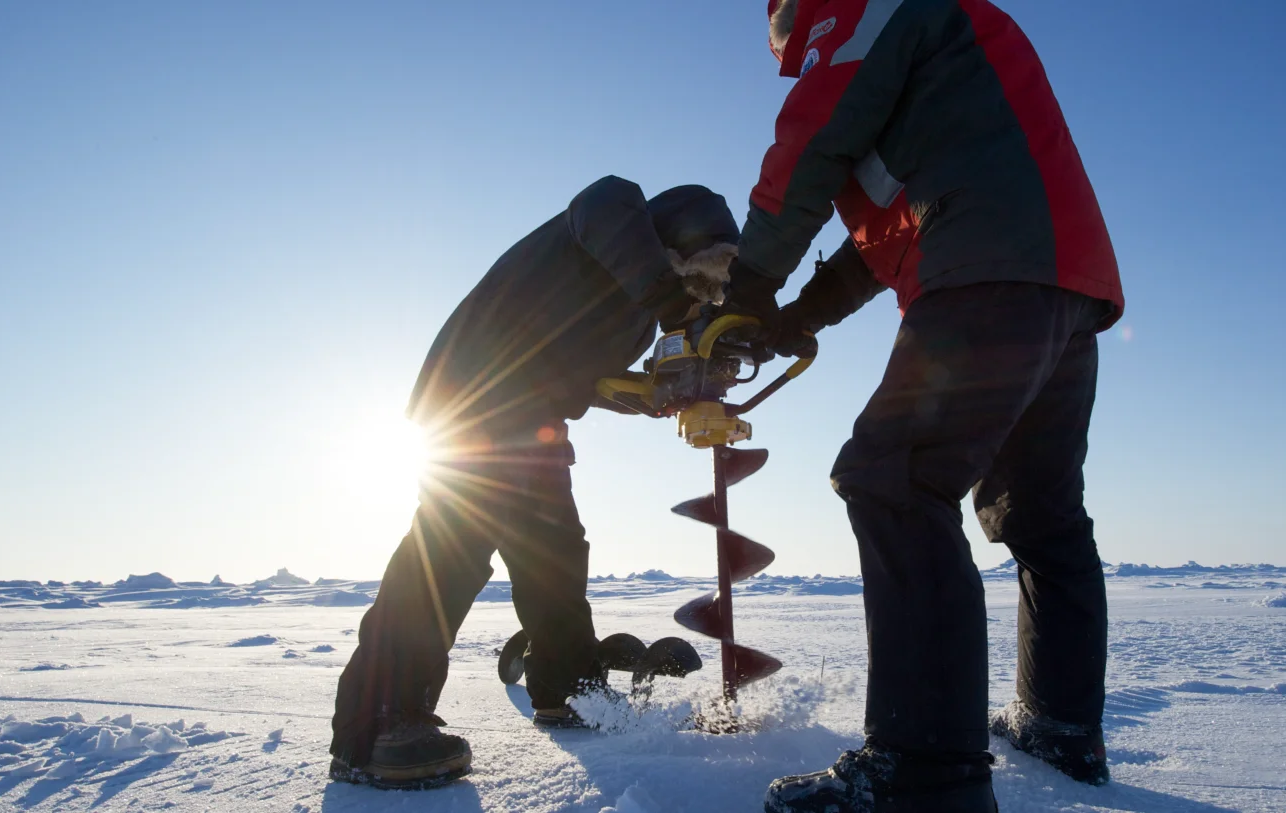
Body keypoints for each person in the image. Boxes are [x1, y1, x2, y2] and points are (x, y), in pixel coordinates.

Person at [718, 2, 1127, 810]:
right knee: (1038, 513)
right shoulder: (942, 56)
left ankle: (923, 769)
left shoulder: (860, 8)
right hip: (1062, 276)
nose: (780, 41)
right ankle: (1060, 727)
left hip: (985, 263)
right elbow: (891, 235)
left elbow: (812, 138)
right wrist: (800, 314)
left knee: (891, 476)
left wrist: (748, 286)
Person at [327, 176, 740, 790]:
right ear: (683, 236)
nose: (708, 291)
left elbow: (584, 376)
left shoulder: (636, 319)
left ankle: (569, 691)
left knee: (556, 556)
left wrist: (649, 394)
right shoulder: (615, 214)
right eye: (709, 270)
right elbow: (602, 209)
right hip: (474, 396)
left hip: (532, 421)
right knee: (448, 557)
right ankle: (374, 729)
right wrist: (673, 304)